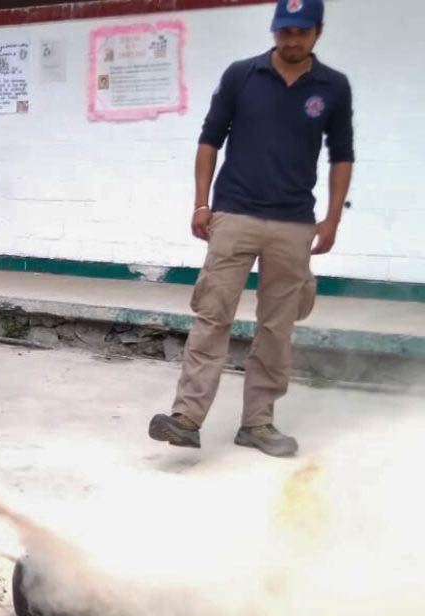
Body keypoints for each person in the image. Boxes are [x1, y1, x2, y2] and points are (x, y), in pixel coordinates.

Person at [149, 0, 353, 459]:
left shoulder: (333, 87)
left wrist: (333, 219)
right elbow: (209, 140)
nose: (292, 40)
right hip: (234, 215)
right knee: (211, 316)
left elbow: (342, 156)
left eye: (301, 32)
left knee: (277, 328)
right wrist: (202, 203)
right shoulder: (241, 75)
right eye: (284, 32)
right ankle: (186, 417)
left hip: (294, 224)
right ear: (274, 31)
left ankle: (258, 424)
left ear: (317, 32)